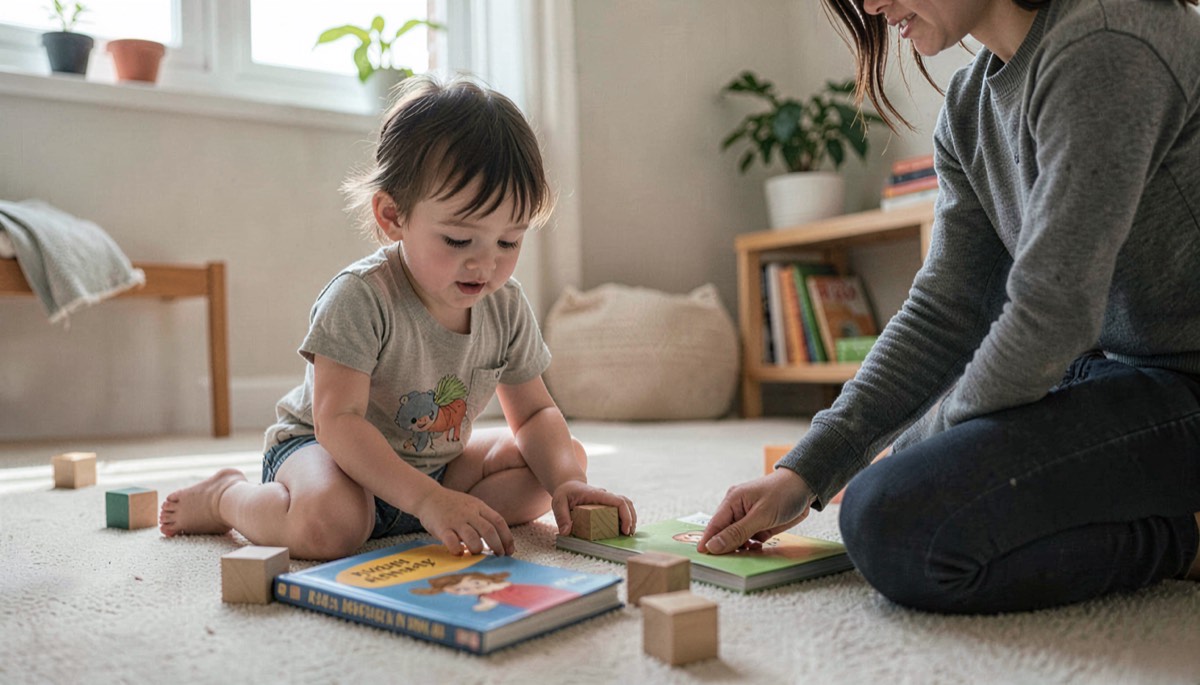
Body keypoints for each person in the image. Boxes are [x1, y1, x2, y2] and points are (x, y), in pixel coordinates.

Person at [698, 0, 1200, 613]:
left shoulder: (1106, 38)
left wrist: (915, 450)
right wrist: (803, 474)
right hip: (1115, 374)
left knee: (893, 519)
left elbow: (1051, 315)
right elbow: (944, 313)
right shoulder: (968, 107)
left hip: (1184, 384)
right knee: (901, 492)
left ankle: (1185, 538)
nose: (872, 6)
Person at [160, 75, 636, 560]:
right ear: (393, 217)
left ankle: (436, 509)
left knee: (560, 460)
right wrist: (427, 499)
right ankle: (226, 497)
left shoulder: (505, 306)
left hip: (437, 466)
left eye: (509, 241)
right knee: (330, 526)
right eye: (457, 240)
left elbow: (534, 414)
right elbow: (337, 422)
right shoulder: (360, 298)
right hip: (327, 457)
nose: (485, 263)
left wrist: (569, 483)